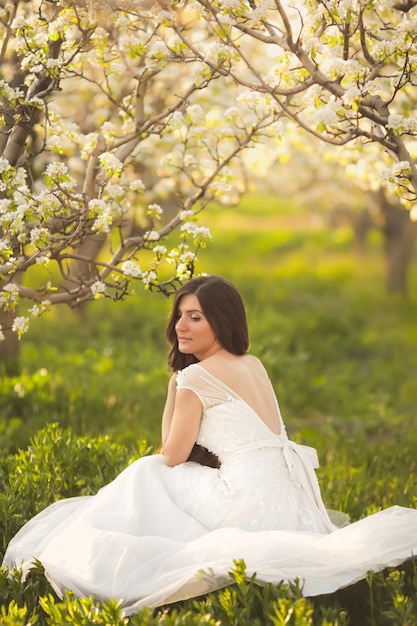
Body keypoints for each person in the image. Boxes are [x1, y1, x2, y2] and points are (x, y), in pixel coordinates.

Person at [2, 275, 417, 616]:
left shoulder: (195, 377)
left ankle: (109, 565)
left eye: (195, 317)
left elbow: (172, 453)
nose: (181, 326)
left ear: (221, 321)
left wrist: (175, 385)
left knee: (148, 471)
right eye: (180, 316)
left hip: (244, 500)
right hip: (289, 497)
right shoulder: (252, 363)